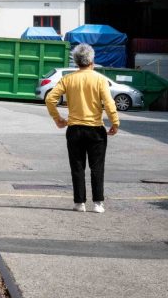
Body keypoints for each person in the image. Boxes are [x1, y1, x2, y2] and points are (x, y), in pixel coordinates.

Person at [45, 43, 119, 213]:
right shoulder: (100, 79)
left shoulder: (68, 79)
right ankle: (98, 203)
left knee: (77, 166)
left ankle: (79, 203)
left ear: (76, 62)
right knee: (97, 166)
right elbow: (109, 103)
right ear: (92, 60)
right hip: (95, 129)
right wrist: (115, 122)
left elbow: (50, 99)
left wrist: (58, 118)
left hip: (75, 129)